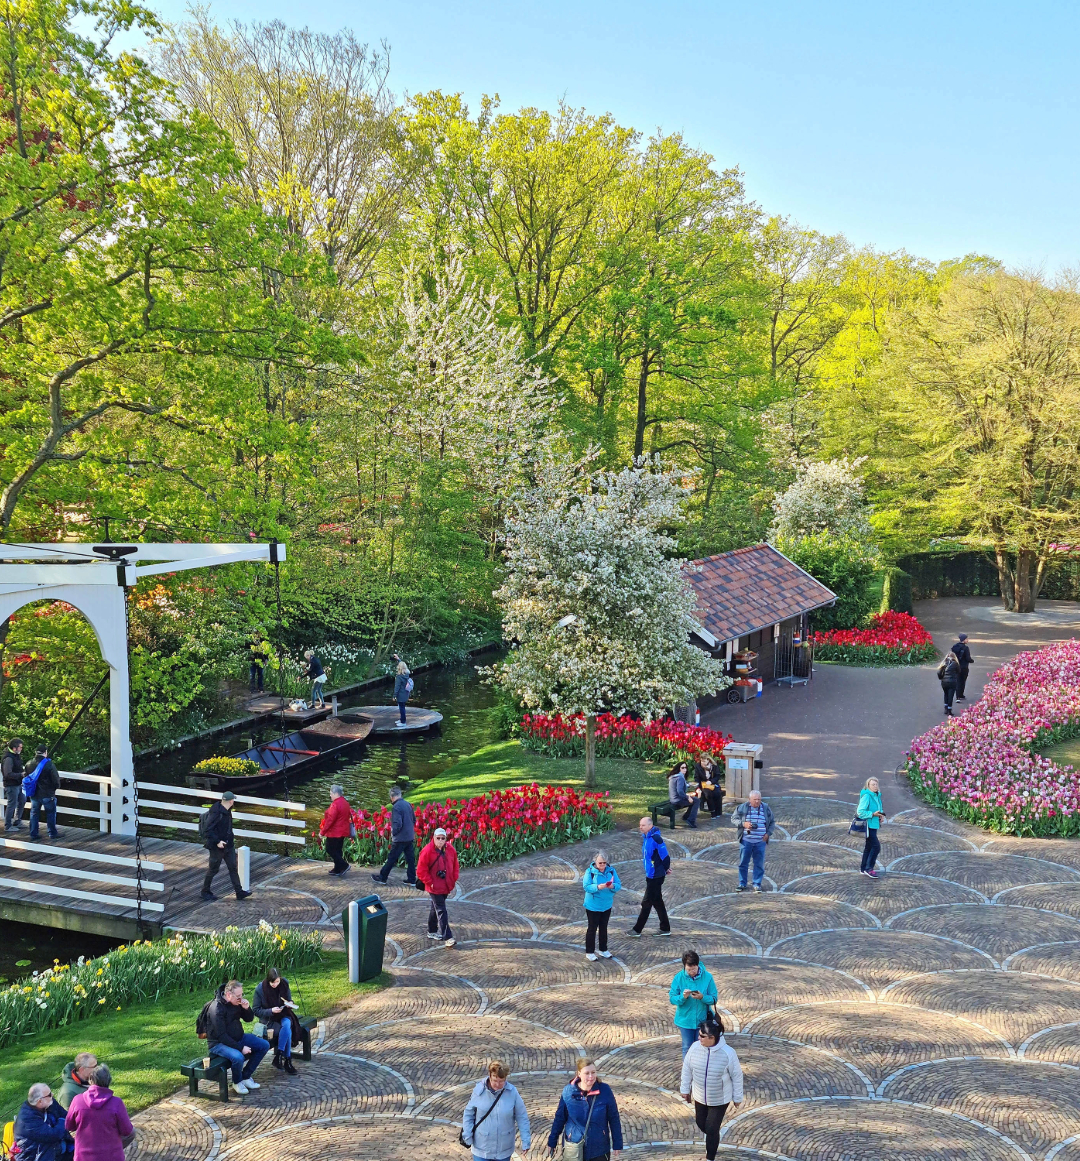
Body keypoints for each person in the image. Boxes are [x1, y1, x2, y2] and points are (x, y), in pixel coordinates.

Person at [679, 1017, 743, 1161]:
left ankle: (710, 1157)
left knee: (712, 1129)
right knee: (702, 1124)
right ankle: (713, 1138)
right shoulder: (694, 1048)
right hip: (700, 1097)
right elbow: (687, 1069)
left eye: (702, 1036)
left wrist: (737, 1097)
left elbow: (737, 1076)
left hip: (720, 1099)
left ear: (712, 1037)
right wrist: (685, 1089)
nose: (699, 1038)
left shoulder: (728, 1053)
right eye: (699, 1034)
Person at [546, 1057, 622, 1161]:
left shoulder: (605, 1090)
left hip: (599, 1149)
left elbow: (613, 1118)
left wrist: (617, 1143)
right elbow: (560, 1118)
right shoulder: (568, 1091)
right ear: (579, 1074)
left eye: (593, 1072)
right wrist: (552, 1141)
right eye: (587, 1073)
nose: (591, 1076)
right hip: (574, 1147)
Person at [204, 980, 270, 1095]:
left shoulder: (236, 1003)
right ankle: (237, 1082)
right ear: (229, 995)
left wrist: (246, 1008)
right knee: (238, 1057)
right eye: (238, 996)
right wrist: (240, 1048)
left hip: (238, 1037)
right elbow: (222, 1036)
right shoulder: (216, 1009)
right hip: (218, 1043)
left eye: (241, 995)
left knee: (264, 1045)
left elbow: (248, 1019)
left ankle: (245, 1076)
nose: (241, 998)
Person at [462, 1060, 531, 1161]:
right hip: (481, 1149)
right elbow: (469, 1114)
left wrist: (526, 1141)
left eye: (501, 1081)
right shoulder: (479, 1091)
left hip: (503, 1151)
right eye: (495, 1080)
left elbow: (522, 1117)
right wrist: (467, 1135)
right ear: (490, 1075)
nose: (498, 1085)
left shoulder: (512, 1092)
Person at [64, 1064, 134, 1161]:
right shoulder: (116, 1103)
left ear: (90, 1080)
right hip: (111, 1156)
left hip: (83, 1157)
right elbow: (127, 1130)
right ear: (109, 1081)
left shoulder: (77, 1100)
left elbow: (69, 1126)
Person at [253, 966, 309, 1075]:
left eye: (277, 981)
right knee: (287, 1030)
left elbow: (289, 999)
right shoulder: (260, 989)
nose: (275, 984)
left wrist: (290, 1003)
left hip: (283, 1013)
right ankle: (287, 1060)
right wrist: (271, 1011)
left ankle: (279, 1055)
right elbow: (256, 1010)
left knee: (287, 1024)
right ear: (268, 980)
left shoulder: (284, 984)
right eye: (272, 982)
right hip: (269, 1020)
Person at [200, 792, 253, 902]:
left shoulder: (227, 810)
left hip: (228, 845)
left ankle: (239, 892)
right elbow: (207, 830)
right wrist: (217, 841)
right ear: (231, 801)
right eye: (233, 800)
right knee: (213, 869)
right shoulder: (216, 813)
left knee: (233, 867)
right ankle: (205, 891)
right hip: (217, 847)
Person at [627, 816, 671, 938]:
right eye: (640, 825)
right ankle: (665, 928)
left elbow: (665, 856)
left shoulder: (656, 839)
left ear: (650, 826)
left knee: (646, 902)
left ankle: (637, 930)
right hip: (651, 875)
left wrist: (666, 868)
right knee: (657, 902)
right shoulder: (646, 838)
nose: (640, 827)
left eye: (643, 825)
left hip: (655, 876)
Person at [669, 949, 718, 1055]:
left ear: (698, 965)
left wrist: (702, 997)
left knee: (701, 1048)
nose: (692, 972)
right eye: (689, 969)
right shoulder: (678, 978)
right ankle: (687, 1066)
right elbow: (672, 998)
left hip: (702, 1020)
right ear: (684, 966)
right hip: (685, 1021)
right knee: (687, 1047)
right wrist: (682, 997)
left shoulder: (708, 977)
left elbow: (714, 998)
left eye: (694, 969)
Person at [417, 826, 459, 947]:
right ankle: (448, 937)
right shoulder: (427, 851)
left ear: (446, 839)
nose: (440, 840)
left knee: (435, 908)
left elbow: (455, 864)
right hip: (434, 887)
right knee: (441, 910)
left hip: (446, 885)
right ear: (434, 838)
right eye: (438, 838)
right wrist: (430, 882)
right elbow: (421, 870)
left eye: (443, 838)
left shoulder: (450, 849)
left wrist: (453, 878)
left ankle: (431, 931)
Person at [14, 1082, 72, 1161]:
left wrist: (63, 1121)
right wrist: (62, 1121)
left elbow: (66, 1115)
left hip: (58, 1150)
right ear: (40, 1101)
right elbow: (53, 1135)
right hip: (36, 1156)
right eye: (49, 1094)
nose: (52, 1095)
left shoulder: (49, 1102)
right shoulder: (27, 1119)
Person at [372, 786, 416, 885]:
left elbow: (397, 824)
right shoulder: (408, 804)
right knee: (410, 859)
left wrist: (393, 833)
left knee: (392, 858)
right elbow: (414, 820)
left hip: (400, 838)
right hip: (409, 836)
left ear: (391, 797)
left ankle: (382, 877)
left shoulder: (396, 807)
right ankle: (412, 879)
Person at [582, 850, 622, 961]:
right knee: (592, 928)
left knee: (603, 928)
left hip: (606, 905)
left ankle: (603, 949)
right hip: (593, 906)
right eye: (600, 863)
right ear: (595, 862)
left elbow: (618, 885)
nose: (602, 865)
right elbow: (586, 887)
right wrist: (598, 887)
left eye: (604, 863)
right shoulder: (589, 872)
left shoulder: (611, 871)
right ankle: (590, 951)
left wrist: (612, 886)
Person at [733, 790, 775, 893]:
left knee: (759, 864)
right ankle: (742, 883)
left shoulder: (766, 808)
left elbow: (772, 822)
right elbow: (733, 818)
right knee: (743, 863)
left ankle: (757, 884)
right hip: (746, 841)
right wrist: (743, 824)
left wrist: (768, 834)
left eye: (759, 799)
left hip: (760, 841)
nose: (757, 801)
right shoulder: (742, 807)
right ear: (749, 799)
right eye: (755, 799)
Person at [27, 745, 60, 841]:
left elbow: (26, 777)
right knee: (50, 814)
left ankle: (33, 834)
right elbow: (55, 780)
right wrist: (54, 788)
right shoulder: (49, 764)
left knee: (34, 813)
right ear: (45, 752)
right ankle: (52, 833)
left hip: (34, 793)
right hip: (47, 793)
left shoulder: (29, 763)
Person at [319, 784, 352, 876]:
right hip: (343, 831)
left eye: (331, 793)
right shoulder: (345, 802)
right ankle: (337, 869)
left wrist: (322, 832)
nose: (330, 795)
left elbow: (330, 820)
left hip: (335, 832)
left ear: (335, 793)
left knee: (330, 849)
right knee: (338, 850)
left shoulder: (335, 804)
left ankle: (344, 865)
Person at [857, 777, 886, 878]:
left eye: (876, 784)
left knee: (868, 847)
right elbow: (860, 812)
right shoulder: (867, 796)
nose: (875, 786)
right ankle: (869, 869)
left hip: (874, 825)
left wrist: (881, 815)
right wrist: (873, 814)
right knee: (876, 847)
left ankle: (863, 868)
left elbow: (879, 808)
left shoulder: (877, 795)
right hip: (868, 825)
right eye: (873, 784)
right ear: (868, 786)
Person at [668, 761, 700, 829]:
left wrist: (688, 785)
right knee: (696, 801)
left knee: (694, 800)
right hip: (677, 800)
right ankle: (691, 820)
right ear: (679, 768)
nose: (685, 769)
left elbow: (679, 787)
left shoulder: (675, 776)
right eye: (682, 768)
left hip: (673, 799)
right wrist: (687, 797)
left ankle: (686, 816)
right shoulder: (680, 777)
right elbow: (680, 791)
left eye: (685, 768)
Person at [3, 736, 25, 832]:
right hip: (11, 785)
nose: (21, 749)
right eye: (20, 747)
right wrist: (21, 775)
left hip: (17, 784)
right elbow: (8, 774)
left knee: (22, 800)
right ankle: (8, 825)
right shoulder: (9, 758)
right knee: (12, 804)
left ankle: (17, 821)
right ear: (14, 748)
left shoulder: (15, 756)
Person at [939, 648, 961, 716]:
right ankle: (949, 710)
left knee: (946, 694)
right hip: (952, 682)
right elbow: (959, 671)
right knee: (950, 696)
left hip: (944, 682)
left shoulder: (944, 663)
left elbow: (939, 672)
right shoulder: (955, 663)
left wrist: (941, 678)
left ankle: (945, 708)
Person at [952, 633, 973, 700]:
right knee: (962, 681)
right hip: (964, 667)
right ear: (963, 640)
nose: (967, 640)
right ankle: (961, 694)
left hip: (956, 666)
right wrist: (972, 661)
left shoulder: (955, 647)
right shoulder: (966, 648)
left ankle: (957, 696)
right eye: (966, 639)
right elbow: (968, 658)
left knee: (957, 680)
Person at [393, 660, 412, 726]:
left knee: (401, 708)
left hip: (400, 694)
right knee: (402, 707)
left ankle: (403, 722)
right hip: (406, 693)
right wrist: (398, 659)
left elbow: (397, 687)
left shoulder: (399, 677)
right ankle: (401, 719)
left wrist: (394, 696)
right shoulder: (407, 675)